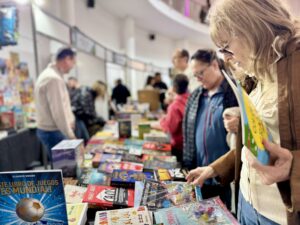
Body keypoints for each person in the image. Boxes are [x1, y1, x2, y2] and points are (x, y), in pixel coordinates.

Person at [186, 0, 300, 224]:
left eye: (226, 46)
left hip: (280, 215)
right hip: (246, 202)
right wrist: (214, 168)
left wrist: (294, 168)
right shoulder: (255, 74)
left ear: (252, 28)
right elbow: (256, 144)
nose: (226, 58)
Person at [183, 49, 238, 209]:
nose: (199, 79)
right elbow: (188, 132)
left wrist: (239, 123)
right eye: (195, 75)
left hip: (225, 175)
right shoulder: (196, 96)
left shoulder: (234, 91)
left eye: (201, 73)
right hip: (199, 173)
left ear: (214, 65)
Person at [35, 48, 76, 159]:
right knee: (66, 169)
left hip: (52, 130)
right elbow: (58, 111)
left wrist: (70, 120)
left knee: (62, 167)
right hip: (54, 131)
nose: (73, 66)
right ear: (67, 59)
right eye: (73, 62)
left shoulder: (51, 75)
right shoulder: (53, 78)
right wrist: (70, 135)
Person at [151, 74, 190, 162]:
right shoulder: (191, 100)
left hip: (179, 146)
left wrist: (161, 123)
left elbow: (171, 128)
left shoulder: (174, 106)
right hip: (189, 145)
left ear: (174, 87)